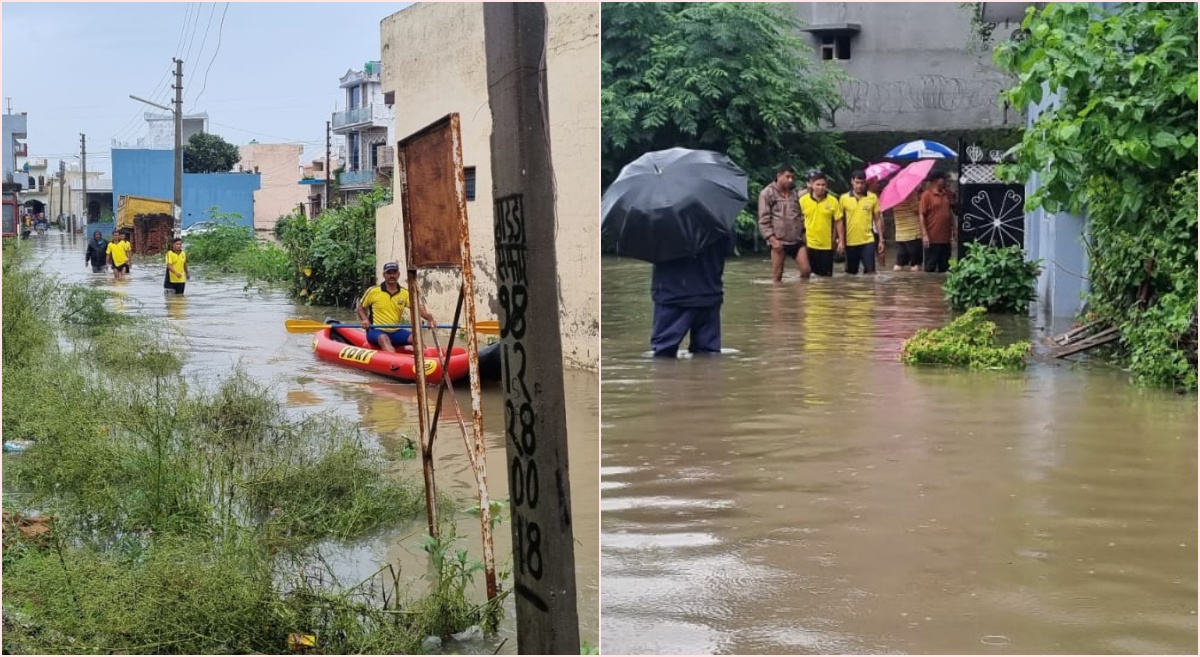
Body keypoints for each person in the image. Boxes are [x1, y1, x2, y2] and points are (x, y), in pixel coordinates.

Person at [650, 232, 733, 358]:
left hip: (672, 297)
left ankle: (664, 377)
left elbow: (648, 251)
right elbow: (728, 247)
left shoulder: (661, 222)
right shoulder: (719, 220)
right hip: (709, 294)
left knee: (663, 354)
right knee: (708, 355)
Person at [356, 261, 436, 352]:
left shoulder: (405, 293)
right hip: (376, 331)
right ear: (384, 275)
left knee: (416, 337)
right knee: (384, 338)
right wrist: (365, 319)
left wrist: (429, 319)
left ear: (398, 274)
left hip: (395, 331)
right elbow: (360, 308)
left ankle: (427, 359)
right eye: (389, 273)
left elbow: (418, 308)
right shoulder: (373, 291)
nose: (392, 275)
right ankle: (393, 363)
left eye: (394, 272)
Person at [757, 165, 810, 281]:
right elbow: (763, 219)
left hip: (796, 240)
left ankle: (800, 297)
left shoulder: (794, 193)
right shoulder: (767, 193)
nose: (790, 180)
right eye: (787, 177)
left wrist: (803, 233)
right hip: (779, 241)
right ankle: (778, 298)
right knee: (777, 276)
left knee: (806, 271)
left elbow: (800, 215)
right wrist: (771, 239)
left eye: (792, 177)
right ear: (779, 176)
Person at [798, 171, 844, 277]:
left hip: (826, 246)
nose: (820, 187)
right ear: (812, 185)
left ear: (826, 186)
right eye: (817, 185)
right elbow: (797, 220)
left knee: (826, 278)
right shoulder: (803, 201)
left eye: (823, 185)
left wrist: (841, 241)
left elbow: (839, 221)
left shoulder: (833, 201)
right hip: (809, 244)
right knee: (807, 276)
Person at [839, 170, 883, 275]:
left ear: (865, 182)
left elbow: (877, 219)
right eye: (857, 182)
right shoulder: (844, 198)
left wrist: (881, 240)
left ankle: (870, 291)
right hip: (850, 241)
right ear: (852, 182)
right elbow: (839, 220)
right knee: (851, 274)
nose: (859, 186)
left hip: (868, 241)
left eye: (862, 183)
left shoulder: (872, 197)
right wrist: (840, 241)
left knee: (871, 272)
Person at [919, 171, 956, 273]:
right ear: (936, 181)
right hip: (932, 239)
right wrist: (924, 234)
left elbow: (950, 214)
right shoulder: (926, 195)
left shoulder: (947, 194)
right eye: (943, 179)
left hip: (946, 239)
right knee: (930, 268)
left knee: (944, 268)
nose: (945, 181)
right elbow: (922, 215)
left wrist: (955, 230)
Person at [892, 187, 923, 272]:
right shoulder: (910, 194)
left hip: (900, 234)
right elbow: (918, 209)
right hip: (912, 233)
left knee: (899, 264)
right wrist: (920, 199)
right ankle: (915, 284)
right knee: (916, 264)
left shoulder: (894, 197)